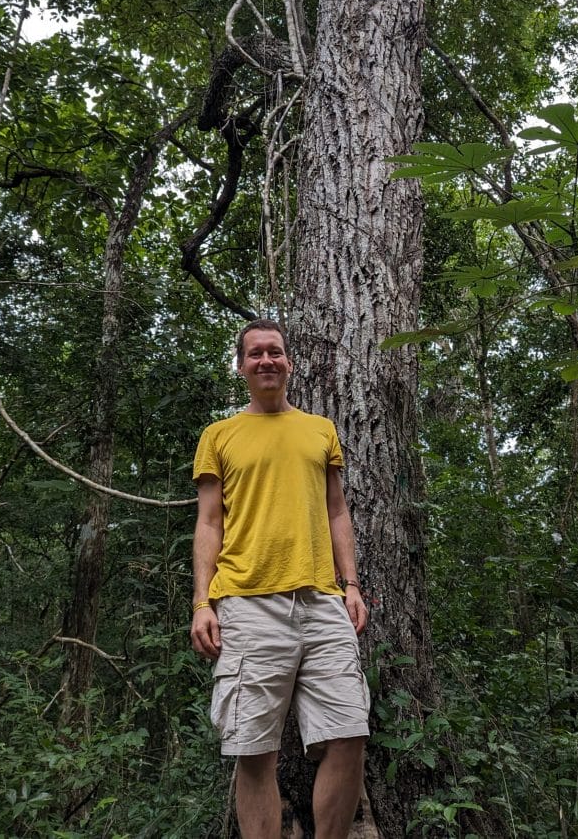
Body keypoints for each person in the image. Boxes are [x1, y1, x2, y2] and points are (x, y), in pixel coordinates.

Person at [190, 318, 370, 839]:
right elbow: (208, 522)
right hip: (246, 603)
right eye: (255, 354)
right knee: (253, 749)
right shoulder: (219, 435)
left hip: (321, 600)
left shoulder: (321, 429)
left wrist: (351, 585)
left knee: (349, 733)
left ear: (289, 362)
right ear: (241, 365)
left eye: (276, 352)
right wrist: (203, 602)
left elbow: (338, 510)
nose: (266, 360)